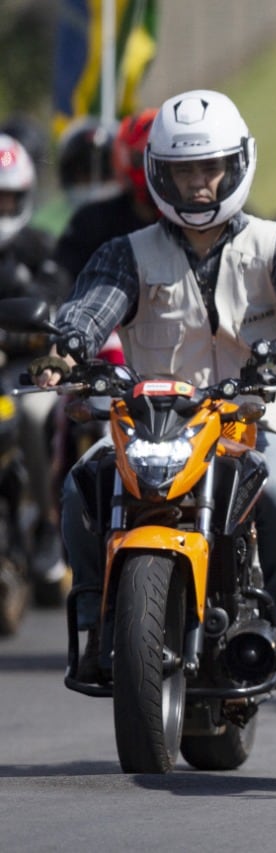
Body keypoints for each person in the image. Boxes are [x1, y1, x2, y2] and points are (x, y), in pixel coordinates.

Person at [29, 89, 276, 689]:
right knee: (80, 488)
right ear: (159, 175)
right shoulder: (126, 253)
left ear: (237, 165)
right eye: (183, 171)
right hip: (154, 424)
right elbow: (89, 313)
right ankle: (97, 624)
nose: (198, 184)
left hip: (256, 420)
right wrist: (62, 356)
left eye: (210, 168)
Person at [0, 133, 72, 590]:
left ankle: (47, 523)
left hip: (29, 371)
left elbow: (58, 308)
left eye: (6, 198)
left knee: (32, 414)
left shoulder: (42, 248)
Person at [54, 108, 160, 280]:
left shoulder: (191, 224)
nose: (153, 171)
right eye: (142, 159)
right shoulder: (90, 222)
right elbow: (62, 279)